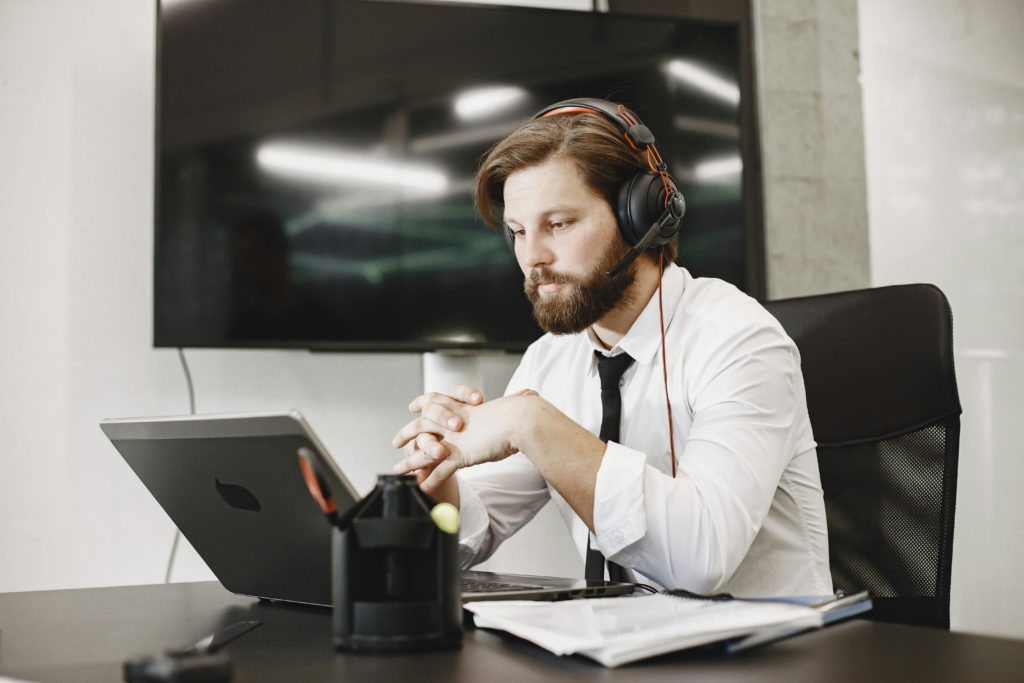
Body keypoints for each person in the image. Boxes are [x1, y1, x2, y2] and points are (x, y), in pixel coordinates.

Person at [391, 99, 831, 597]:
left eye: (558, 224)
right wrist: (439, 482)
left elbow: (702, 559)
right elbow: (471, 529)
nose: (532, 257)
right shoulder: (550, 360)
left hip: (768, 657)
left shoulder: (739, 339)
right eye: (517, 232)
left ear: (639, 215)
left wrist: (532, 422)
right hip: (615, 652)